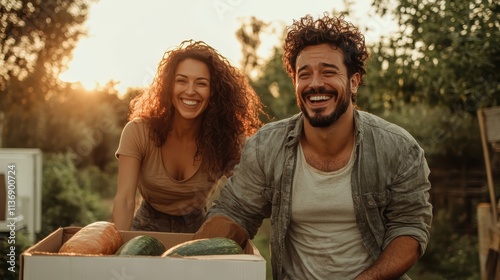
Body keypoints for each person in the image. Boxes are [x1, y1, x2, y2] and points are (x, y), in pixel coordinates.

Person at [193, 13, 433, 280]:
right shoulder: (266, 146)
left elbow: (409, 229)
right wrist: (190, 257)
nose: (315, 83)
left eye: (329, 72)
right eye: (304, 74)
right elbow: (236, 212)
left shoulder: (398, 148)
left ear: (353, 82)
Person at [112, 40, 264, 233]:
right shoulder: (138, 131)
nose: (190, 91)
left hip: (198, 231)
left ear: (214, 92)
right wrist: (117, 251)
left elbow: (249, 193)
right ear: (168, 86)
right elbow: (125, 199)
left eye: (201, 83)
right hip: (144, 226)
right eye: (181, 81)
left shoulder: (226, 139)